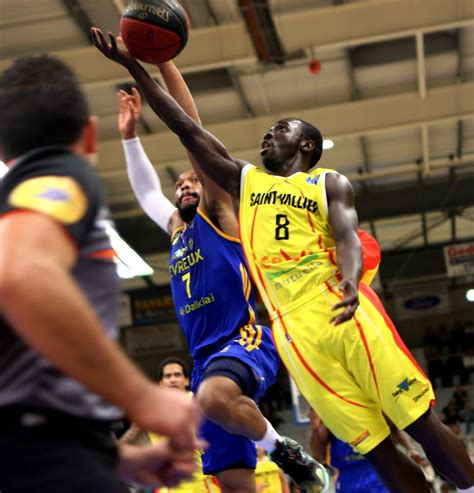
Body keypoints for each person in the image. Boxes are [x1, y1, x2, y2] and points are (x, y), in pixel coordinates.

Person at [91, 29, 474, 493]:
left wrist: (351, 280)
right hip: (292, 332)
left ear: (306, 146)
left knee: (417, 420)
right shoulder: (239, 186)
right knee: (373, 447)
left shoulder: (322, 182)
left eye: (281, 129)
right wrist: (136, 65)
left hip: (330, 305)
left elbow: (348, 235)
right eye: (268, 131)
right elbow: (185, 129)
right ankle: (287, 451)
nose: (267, 134)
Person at [115, 59, 328, 493]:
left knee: (214, 398)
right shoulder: (177, 229)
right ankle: (272, 445)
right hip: (203, 361)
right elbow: (144, 193)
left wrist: (165, 61)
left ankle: (286, 453)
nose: (184, 187)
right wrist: (129, 138)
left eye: (193, 180)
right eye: (179, 185)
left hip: (244, 340)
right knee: (233, 483)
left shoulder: (220, 214)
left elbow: (190, 126)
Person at [0, 55, 202, 493]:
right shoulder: (59, 173)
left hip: (54, 448)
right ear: (90, 135)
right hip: (42, 452)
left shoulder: (16, 204)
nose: (185, 189)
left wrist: (119, 459)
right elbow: (20, 275)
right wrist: (141, 396)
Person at [122, 357, 220, 493]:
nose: (173, 379)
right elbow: (130, 439)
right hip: (167, 486)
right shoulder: (149, 409)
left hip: (202, 483)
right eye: (168, 376)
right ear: (161, 383)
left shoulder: (199, 402)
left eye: (177, 375)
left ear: (186, 381)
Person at [308, 409, 435, 493]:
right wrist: (315, 428)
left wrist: (410, 449)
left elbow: (394, 428)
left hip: (378, 470)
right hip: (348, 476)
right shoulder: (331, 415)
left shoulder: (370, 404)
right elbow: (318, 455)